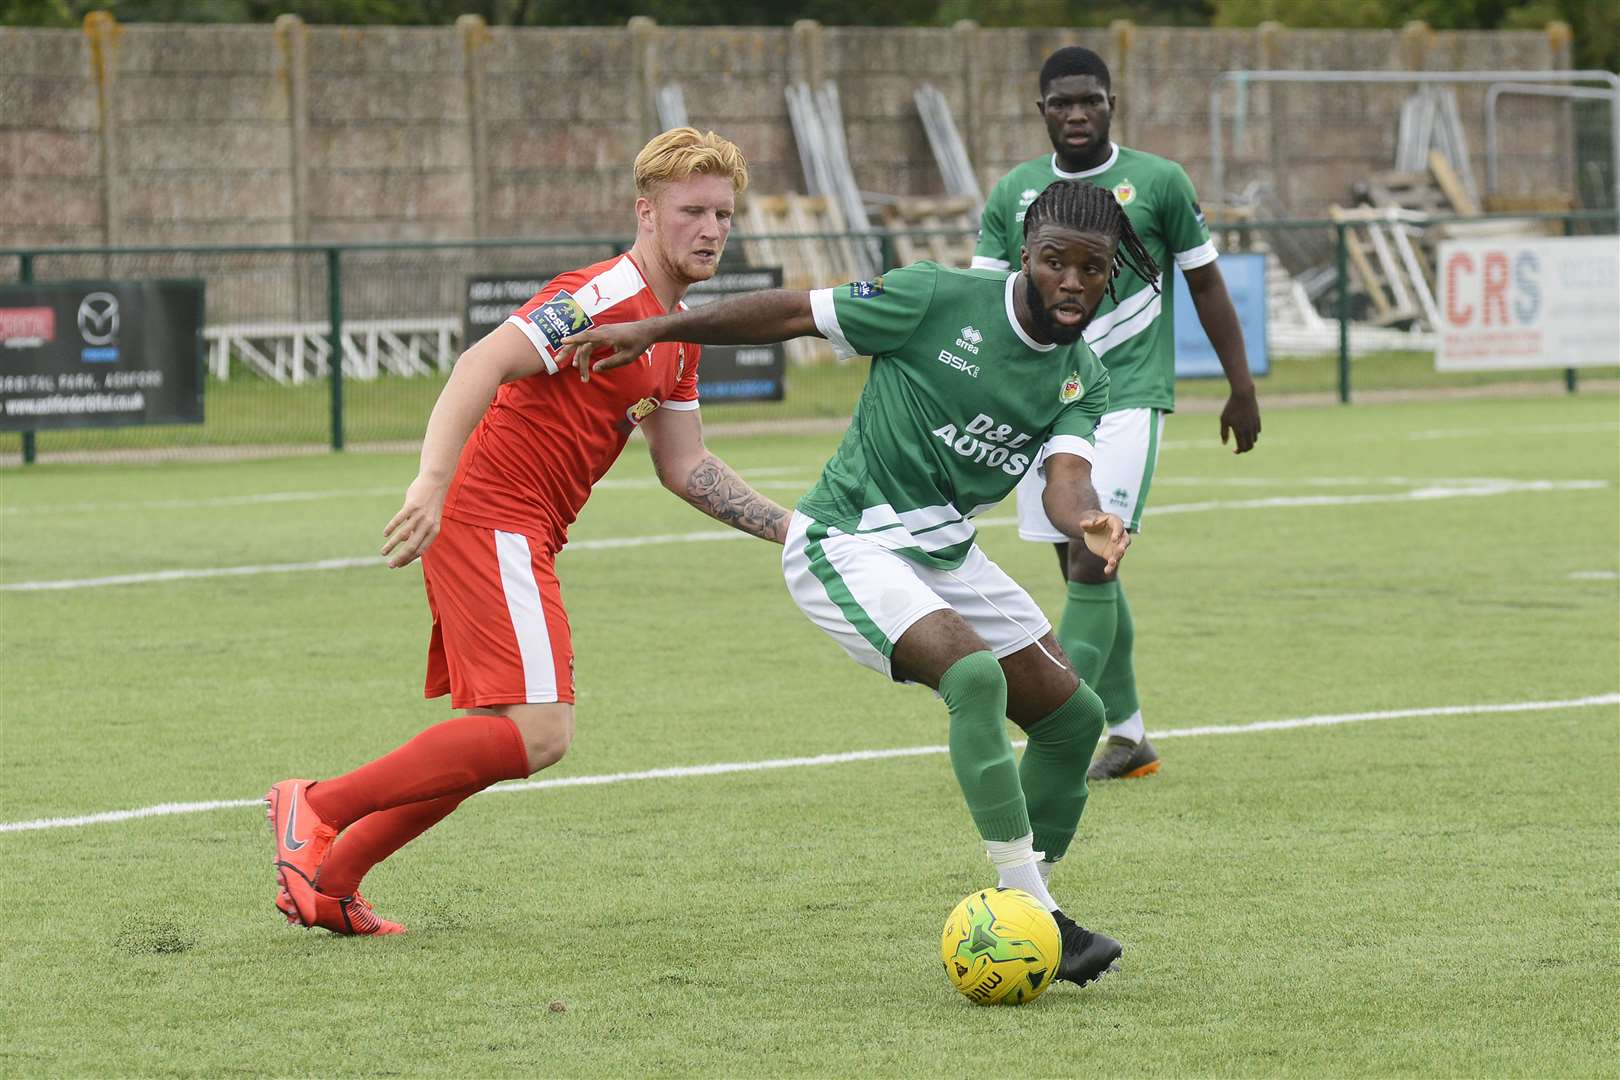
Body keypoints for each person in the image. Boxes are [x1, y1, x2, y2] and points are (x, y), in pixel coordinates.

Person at [557, 179, 1154, 988]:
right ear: (1026, 255)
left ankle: (1026, 903)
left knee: (1073, 718)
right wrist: (659, 326)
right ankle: (1036, 914)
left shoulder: (1082, 372)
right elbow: (793, 311)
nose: (1074, 283)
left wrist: (1088, 519)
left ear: (1112, 270)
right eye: (1056, 262)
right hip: (847, 539)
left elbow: (1067, 480)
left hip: (945, 552)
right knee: (973, 677)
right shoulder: (935, 296)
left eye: (1093, 267)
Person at [264, 128, 790, 936]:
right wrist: (432, 482)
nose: (712, 229)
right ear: (646, 213)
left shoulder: (671, 331)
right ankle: (317, 804)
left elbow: (685, 465)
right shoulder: (602, 296)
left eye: (724, 212)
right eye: (693, 210)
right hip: (491, 513)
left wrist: (796, 531)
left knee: (502, 735)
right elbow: (482, 361)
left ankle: (333, 879)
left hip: (526, 530)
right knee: (540, 732)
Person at [972, 46, 1262, 781]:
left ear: (1112, 104)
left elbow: (1207, 287)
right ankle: (1130, 739)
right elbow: (980, 301)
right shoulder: (1013, 193)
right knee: (1087, 564)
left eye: (1091, 100)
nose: (1077, 114)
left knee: (1089, 563)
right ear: (1040, 110)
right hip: (1046, 401)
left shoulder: (1160, 182)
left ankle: (1058, 729)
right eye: (1062, 103)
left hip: (1128, 397)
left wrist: (1241, 384)